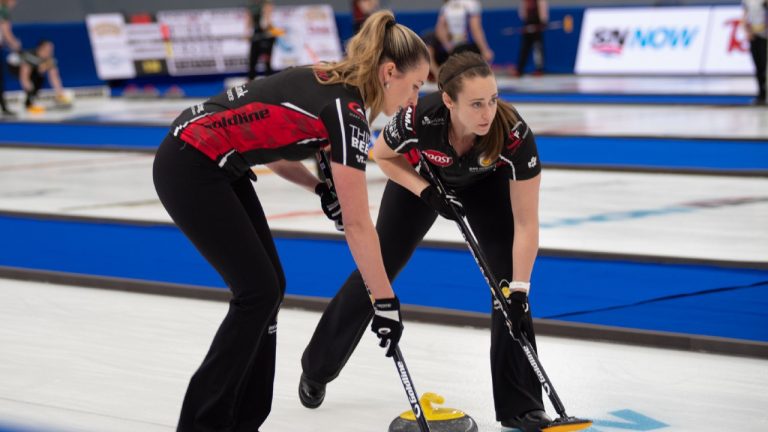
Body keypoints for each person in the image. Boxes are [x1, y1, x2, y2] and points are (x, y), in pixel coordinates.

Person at [153, 10, 429, 432]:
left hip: (216, 162)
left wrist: (319, 189)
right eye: (415, 87)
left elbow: (273, 143)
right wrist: (384, 300)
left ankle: (244, 420)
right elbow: (357, 223)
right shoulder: (348, 112)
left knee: (269, 288)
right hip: (190, 162)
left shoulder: (332, 82)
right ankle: (202, 425)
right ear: (389, 72)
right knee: (257, 293)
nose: (413, 101)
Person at [300, 51, 551, 431]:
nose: (488, 113)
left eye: (494, 100)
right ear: (449, 101)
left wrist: (519, 290)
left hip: (485, 186)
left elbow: (526, 224)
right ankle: (317, 367)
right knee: (379, 266)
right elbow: (382, 155)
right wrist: (426, 193)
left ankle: (522, 406)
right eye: (477, 104)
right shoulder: (420, 116)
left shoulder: (513, 133)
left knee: (506, 280)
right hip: (423, 180)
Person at [12, 40, 67, 112]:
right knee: (30, 84)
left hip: (34, 71)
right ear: (41, 48)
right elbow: (24, 76)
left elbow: (54, 77)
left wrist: (60, 93)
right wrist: (29, 93)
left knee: (41, 77)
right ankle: (29, 101)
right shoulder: (30, 56)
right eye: (48, 49)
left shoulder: (50, 59)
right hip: (15, 67)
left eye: (51, 50)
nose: (50, 52)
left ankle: (31, 99)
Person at [434, 0, 494, 64]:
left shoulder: (447, 5)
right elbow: (475, 28)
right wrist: (484, 50)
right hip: (467, 48)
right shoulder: (472, 4)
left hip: (452, 50)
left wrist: (448, 47)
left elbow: (439, 30)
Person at [743, 0, 767, 105]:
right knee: (758, 67)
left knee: (764, 66)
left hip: (765, 35)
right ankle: (761, 95)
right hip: (754, 35)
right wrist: (747, 31)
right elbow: (744, 15)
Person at [515, 0, 548, 77]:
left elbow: (542, 6)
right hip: (528, 22)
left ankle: (539, 69)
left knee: (537, 47)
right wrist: (525, 19)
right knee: (525, 47)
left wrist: (543, 21)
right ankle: (520, 69)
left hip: (537, 22)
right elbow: (523, 8)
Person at [246, 0, 277, 79]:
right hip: (257, 35)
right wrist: (247, 32)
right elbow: (249, 21)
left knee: (266, 61)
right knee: (253, 61)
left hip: (267, 37)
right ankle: (251, 82)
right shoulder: (251, 6)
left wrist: (269, 29)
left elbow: (267, 22)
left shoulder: (267, 4)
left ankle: (270, 81)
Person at [0, 0, 20, 116]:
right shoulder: (3, 10)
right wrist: (15, 45)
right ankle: (4, 107)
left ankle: (4, 106)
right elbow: (6, 32)